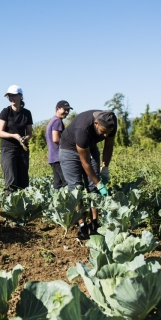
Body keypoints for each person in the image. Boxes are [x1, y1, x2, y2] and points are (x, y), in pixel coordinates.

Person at [58, 109, 117, 240]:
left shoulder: (111, 121)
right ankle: (82, 225)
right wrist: (99, 183)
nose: (106, 135)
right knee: (76, 187)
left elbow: (109, 146)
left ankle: (95, 224)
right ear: (96, 123)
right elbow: (86, 164)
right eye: (103, 132)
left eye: (108, 132)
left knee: (93, 187)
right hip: (69, 149)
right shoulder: (82, 129)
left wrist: (105, 168)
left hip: (90, 146)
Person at [0, 85, 34, 196]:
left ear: (20, 96)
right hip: (8, 149)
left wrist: (25, 139)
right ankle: (10, 206)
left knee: (23, 180)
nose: (11, 98)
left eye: (14, 95)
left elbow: (29, 133)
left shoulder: (27, 113)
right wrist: (15, 136)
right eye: (9, 96)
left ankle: (23, 209)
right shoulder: (5, 112)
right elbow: (0, 132)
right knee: (11, 180)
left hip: (22, 149)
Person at [45, 100, 72, 189]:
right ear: (57, 109)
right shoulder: (57, 121)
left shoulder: (53, 120)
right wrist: (69, 145)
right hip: (58, 157)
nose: (67, 112)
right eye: (65, 109)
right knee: (67, 182)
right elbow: (56, 139)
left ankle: (55, 202)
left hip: (53, 157)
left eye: (68, 110)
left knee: (58, 184)